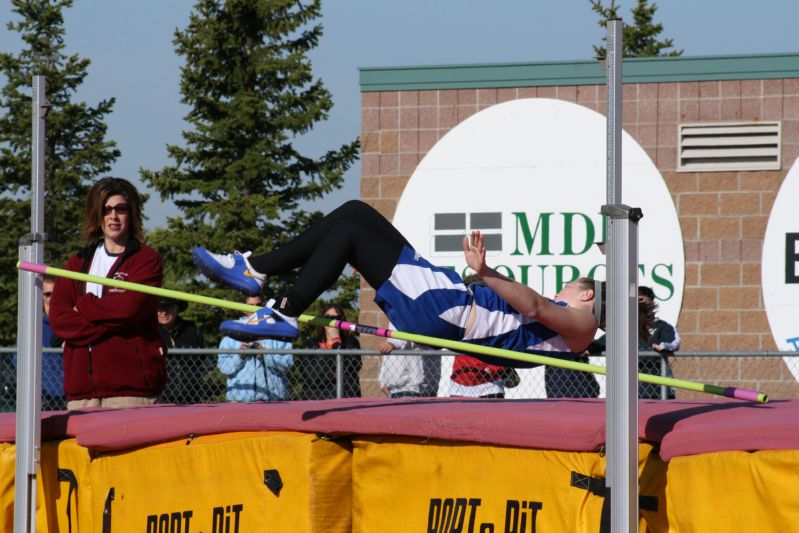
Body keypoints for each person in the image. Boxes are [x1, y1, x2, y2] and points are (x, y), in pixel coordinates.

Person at [192, 200, 603, 366]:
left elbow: (532, 307)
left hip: (448, 309)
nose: (560, 290)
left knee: (351, 235)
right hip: (447, 303)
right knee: (356, 215)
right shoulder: (570, 328)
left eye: (568, 286)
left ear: (586, 295)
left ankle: (284, 310)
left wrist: (487, 273)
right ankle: (256, 269)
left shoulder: (581, 325)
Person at [49, 177, 166, 410]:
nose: (113, 216)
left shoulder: (145, 260)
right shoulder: (77, 263)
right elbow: (60, 319)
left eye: (121, 209)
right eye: (106, 209)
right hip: (82, 396)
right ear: (97, 214)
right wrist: (112, 317)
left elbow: (129, 309)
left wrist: (84, 306)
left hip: (131, 392)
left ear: (131, 214)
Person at [217, 295, 293, 402]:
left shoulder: (279, 333)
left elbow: (287, 364)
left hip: (274, 400)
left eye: (258, 305)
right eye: (251, 305)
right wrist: (240, 356)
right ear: (243, 309)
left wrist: (266, 355)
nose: (255, 308)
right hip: (240, 402)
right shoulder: (230, 338)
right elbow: (224, 369)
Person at [299, 303, 362, 399]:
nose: (333, 322)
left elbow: (350, 369)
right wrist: (334, 370)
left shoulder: (351, 342)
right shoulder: (310, 345)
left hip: (346, 398)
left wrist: (336, 341)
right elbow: (313, 378)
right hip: (316, 400)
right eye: (328, 318)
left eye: (337, 318)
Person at [157, 297, 206, 404]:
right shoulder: (150, 332)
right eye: (160, 309)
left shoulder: (192, 329)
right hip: (161, 396)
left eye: (168, 308)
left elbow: (206, 359)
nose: (164, 313)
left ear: (177, 309)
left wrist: (200, 376)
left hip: (192, 395)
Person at [637, 285, 680, 399]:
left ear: (651, 302)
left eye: (640, 299)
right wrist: (590, 347)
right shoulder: (624, 328)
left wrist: (662, 346)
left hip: (657, 388)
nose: (637, 304)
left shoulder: (662, 326)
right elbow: (604, 342)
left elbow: (674, 342)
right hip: (631, 388)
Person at [41, 275, 65, 410]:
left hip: (67, 395)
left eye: (55, 294)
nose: (52, 299)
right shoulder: (33, 327)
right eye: (48, 294)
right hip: (44, 397)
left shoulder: (73, 321)